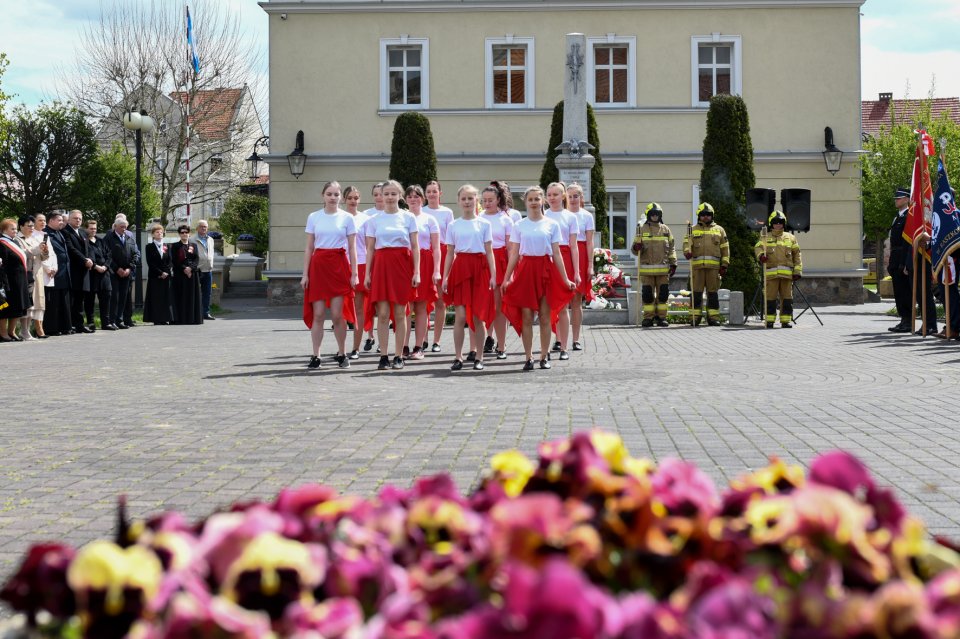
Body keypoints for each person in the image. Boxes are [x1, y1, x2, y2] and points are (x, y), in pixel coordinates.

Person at [501, 186, 576, 371]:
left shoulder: (552, 224)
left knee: (544, 316)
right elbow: (515, 254)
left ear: (542, 201)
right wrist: (507, 278)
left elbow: (557, 254)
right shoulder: (519, 225)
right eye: (531, 199)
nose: (534, 202)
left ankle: (544, 355)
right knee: (526, 316)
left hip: (545, 270)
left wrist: (566, 279)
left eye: (537, 199)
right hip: (526, 271)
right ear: (525, 202)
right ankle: (528, 357)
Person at [301, 181, 358, 369]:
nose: (333, 197)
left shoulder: (347, 218)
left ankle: (342, 353)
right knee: (318, 314)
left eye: (336, 194)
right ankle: (315, 355)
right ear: (323, 196)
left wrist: (354, 273)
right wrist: (305, 274)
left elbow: (352, 248)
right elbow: (309, 247)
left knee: (336, 315)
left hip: (339, 266)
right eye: (329, 194)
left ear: (340, 197)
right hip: (318, 267)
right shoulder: (313, 217)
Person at [364, 179, 419, 370]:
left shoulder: (408, 218)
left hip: (402, 266)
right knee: (383, 314)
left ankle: (398, 355)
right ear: (380, 196)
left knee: (400, 313)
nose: (389, 197)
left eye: (393, 193)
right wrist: (367, 274)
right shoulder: (373, 220)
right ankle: (383, 356)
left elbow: (415, 246)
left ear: (400, 196)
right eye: (385, 193)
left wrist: (417, 272)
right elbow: (370, 248)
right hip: (381, 265)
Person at [442, 185, 496, 371]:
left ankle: (479, 357)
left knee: (478, 317)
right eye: (464, 198)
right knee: (461, 316)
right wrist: (445, 276)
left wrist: (493, 275)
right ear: (459, 201)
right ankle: (458, 356)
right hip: (461, 269)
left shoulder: (484, 224)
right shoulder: (453, 225)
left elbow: (489, 252)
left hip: (479, 271)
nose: (467, 202)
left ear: (476, 201)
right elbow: (449, 253)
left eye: (470, 198)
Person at [543, 182, 580, 359]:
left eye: (555, 194)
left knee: (564, 304)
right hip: (548, 260)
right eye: (549, 194)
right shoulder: (543, 215)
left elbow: (574, 246)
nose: (551, 198)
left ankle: (564, 346)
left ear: (562, 196)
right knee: (549, 305)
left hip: (564, 258)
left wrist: (577, 271)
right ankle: (555, 340)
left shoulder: (570, 217)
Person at [404, 184, 441, 361]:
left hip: (425, 264)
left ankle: (418, 346)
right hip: (404, 263)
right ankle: (402, 345)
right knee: (404, 308)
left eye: (416, 195)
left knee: (421, 307)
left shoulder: (430, 219)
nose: (413, 199)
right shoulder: (401, 217)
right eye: (409, 196)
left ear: (422, 198)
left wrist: (436, 270)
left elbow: (436, 247)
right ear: (405, 199)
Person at [479, 184, 514, 359]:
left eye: (490, 200)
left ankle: (501, 345)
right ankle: (480, 344)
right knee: (482, 304)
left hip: (500, 262)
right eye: (484, 200)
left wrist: (510, 273)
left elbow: (510, 248)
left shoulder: (506, 219)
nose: (487, 203)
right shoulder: (478, 217)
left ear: (498, 200)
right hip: (482, 263)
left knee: (499, 307)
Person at [631, 202, 677, 328]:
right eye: (652, 214)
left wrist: (673, 264)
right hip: (647, 271)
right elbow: (634, 251)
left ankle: (662, 317)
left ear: (660, 215)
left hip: (663, 270)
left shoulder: (666, 230)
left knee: (663, 295)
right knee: (647, 295)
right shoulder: (641, 229)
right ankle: (648, 318)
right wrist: (637, 247)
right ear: (648, 215)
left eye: (657, 214)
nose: (655, 216)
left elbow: (672, 248)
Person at [683, 202, 729, 326]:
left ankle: (713, 318)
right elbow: (686, 244)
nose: (705, 217)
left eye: (708, 215)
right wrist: (687, 252)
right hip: (697, 268)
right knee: (696, 293)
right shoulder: (692, 230)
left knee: (712, 294)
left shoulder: (719, 230)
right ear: (699, 216)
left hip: (713, 269)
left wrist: (724, 265)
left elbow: (725, 249)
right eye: (703, 215)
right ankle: (695, 317)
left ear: (712, 215)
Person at [755, 210, 802, 328]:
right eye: (775, 222)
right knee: (770, 298)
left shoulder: (791, 238)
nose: (778, 225)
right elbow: (758, 247)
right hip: (771, 275)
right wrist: (761, 255)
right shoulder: (765, 236)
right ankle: (769, 320)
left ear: (784, 223)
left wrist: (797, 271)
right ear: (771, 224)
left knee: (787, 298)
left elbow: (797, 255)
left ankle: (785, 321)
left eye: (780, 222)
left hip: (787, 275)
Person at [423, 180, 455, 352]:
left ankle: (437, 340)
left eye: (434, 191)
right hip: (426, 255)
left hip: (442, 254)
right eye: (429, 191)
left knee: (441, 301)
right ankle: (424, 337)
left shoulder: (447, 212)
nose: (432, 194)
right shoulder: (421, 211)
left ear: (440, 193)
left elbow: (451, 237)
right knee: (425, 298)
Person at [343, 186, 371, 359]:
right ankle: (342, 348)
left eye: (356, 197)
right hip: (341, 265)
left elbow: (370, 246)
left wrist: (368, 270)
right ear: (344, 200)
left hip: (360, 264)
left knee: (359, 308)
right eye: (350, 198)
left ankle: (356, 347)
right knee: (341, 309)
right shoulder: (339, 217)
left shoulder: (366, 220)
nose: (353, 201)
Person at [567, 183, 595, 346]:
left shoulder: (586, 216)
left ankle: (576, 339)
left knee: (576, 300)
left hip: (582, 253)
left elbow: (590, 242)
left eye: (575, 196)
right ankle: (559, 339)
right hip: (565, 254)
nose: (572, 199)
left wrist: (590, 265)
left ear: (581, 197)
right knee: (561, 300)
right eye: (569, 196)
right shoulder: (562, 215)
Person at [102, 215, 138, 330]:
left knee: (123, 297)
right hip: (114, 272)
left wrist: (129, 268)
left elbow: (136, 254)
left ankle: (120, 320)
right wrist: (117, 268)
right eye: (121, 227)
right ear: (115, 226)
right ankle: (112, 320)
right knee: (115, 297)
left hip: (127, 272)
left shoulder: (129, 238)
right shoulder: (109, 238)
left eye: (125, 227)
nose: (124, 229)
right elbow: (107, 255)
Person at [63, 209, 94, 334]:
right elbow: (71, 249)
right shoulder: (65, 232)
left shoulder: (83, 233)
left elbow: (88, 250)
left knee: (80, 300)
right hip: (73, 271)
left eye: (80, 219)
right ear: (69, 219)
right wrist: (84, 260)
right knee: (72, 300)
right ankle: (71, 325)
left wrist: (90, 260)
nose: (78, 220)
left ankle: (80, 324)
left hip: (84, 271)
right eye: (75, 218)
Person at [0, 218, 32, 342]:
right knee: (6, 308)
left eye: (15, 228)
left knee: (18, 307)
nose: (15, 230)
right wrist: (4, 283)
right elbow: (3, 265)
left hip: (20, 280)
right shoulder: (2, 243)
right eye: (12, 229)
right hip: (9, 281)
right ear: (4, 230)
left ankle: (12, 332)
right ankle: (3, 333)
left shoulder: (15, 242)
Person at [42, 211, 73, 336]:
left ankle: (65, 326)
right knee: (53, 303)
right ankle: (52, 328)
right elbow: (45, 253)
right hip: (53, 273)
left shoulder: (59, 233)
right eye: (59, 220)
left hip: (64, 273)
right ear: (51, 221)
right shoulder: (46, 234)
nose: (62, 222)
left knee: (64, 302)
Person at [14, 215, 45, 340]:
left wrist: (45, 251)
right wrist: (38, 249)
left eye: (33, 225)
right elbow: (24, 254)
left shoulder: (34, 239)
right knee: (27, 304)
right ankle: (24, 330)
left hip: (36, 274)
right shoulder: (17, 239)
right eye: (29, 226)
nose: (32, 228)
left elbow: (42, 257)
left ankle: (28, 330)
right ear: (21, 226)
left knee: (34, 304)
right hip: (26, 275)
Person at [887, 187, 913, 333]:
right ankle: (903, 319)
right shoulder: (897, 217)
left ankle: (908, 320)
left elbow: (907, 243)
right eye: (896, 198)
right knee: (898, 291)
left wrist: (904, 263)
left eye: (899, 198)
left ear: (907, 199)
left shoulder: (909, 216)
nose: (896, 200)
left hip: (903, 257)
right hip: (895, 258)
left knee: (905, 291)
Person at [170, 224, 203, 325]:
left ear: (189, 234)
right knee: (181, 296)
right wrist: (184, 269)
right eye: (182, 232)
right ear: (179, 234)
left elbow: (196, 259)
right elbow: (174, 261)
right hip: (180, 275)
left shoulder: (194, 245)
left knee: (192, 297)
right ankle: (181, 319)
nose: (184, 234)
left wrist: (190, 269)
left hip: (192, 275)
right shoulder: (175, 246)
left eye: (186, 232)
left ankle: (193, 318)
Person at [142, 224, 174, 325]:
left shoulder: (167, 246)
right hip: (155, 276)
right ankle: (157, 318)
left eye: (161, 232)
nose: (159, 234)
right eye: (157, 232)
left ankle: (165, 318)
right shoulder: (149, 247)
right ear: (153, 234)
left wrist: (166, 273)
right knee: (156, 298)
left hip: (166, 277)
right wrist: (160, 273)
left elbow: (170, 261)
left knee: (166, 298)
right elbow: (150, 262)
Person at [30, 214, 56, 338]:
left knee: (43, 301)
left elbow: (52, 253)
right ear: (34, 222)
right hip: (40, 271)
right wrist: (47, 268)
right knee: (37, 301)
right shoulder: (32, 235)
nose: (43, 223)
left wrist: (54, 267)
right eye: (40, 220)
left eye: (44, 220)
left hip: (49, 272)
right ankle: (37, 328)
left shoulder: (45, 235)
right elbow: (38, 255)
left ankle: (42, 326)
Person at [84, 219, 112, 331]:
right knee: (89, 300)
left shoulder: (101, 241)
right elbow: (86, 256)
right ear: (86, 229)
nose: (93, 230)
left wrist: (105, 266)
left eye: (95, 228)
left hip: (104, 275)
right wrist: (96, 266)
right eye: (91, 228)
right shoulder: (84, 241)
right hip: (91, 274)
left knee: (106, 298)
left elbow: (109, 255)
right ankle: (91, 322)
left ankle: (106, 322)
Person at [194, 219, 216, 320]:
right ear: (197, 228)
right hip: (197, 270)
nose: (204, 228)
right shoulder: (192, 240)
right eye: (202, 226)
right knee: (195, 292)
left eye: (205, 227)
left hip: (208, 270)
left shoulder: (210, 239)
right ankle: (195, 313)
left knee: (207, 292)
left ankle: (206, 313)